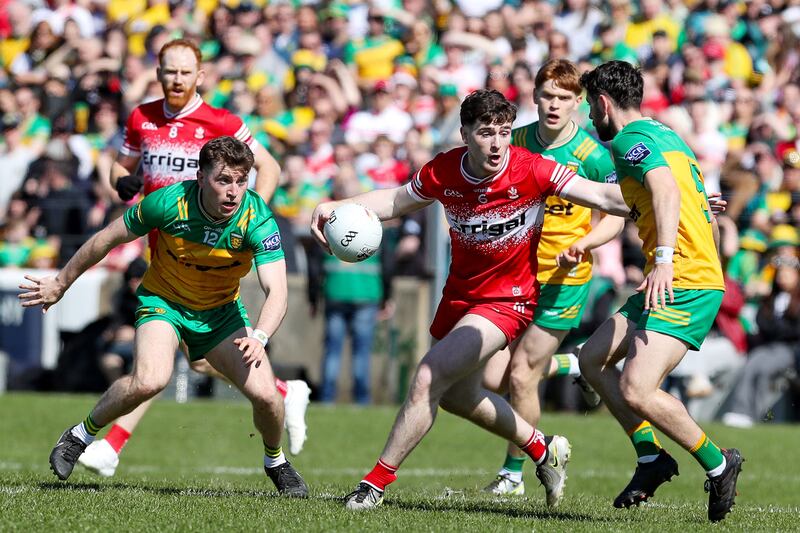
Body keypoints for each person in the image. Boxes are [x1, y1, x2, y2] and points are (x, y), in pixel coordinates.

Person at [310, 89, 632, 510]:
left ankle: (374, 484)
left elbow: (605, 197)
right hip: (460, 296)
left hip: (507, 301)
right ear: (465, 134)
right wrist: (339, 204)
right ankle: (543, 449)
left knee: (428, 376)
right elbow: (396, 200)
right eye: (485, 133)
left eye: (502, 132)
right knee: (458, 396)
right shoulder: (445, 171)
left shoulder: (533, 169)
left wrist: (675, 201)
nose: (497, 142)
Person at [21, 136, 308, 497]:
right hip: (165, 302)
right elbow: (106, 239)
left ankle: (276, 462)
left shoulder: (258, 219)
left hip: (220, 313)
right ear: (201, 177)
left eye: (241, 180)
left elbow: (277, 290)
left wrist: (260, 336)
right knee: (149, 380)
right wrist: (61, 282)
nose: (234, 191)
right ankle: (79, 436)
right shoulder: (169, 202)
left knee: (267, 397)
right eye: (223, 180)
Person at [79, 38, 310, 478]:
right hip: (164, 248)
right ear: (158, 71)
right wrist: (121, 182)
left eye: (185, 72)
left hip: (210, 257)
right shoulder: (141, 117)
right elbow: (120, 166)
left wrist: (247, 221)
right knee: (192, 358)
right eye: (169, 71)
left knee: (163, 358)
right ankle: (282, 389)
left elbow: (271, 168)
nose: (177, 80)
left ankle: (111, 444)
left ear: (200, 75)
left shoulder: (220, 121)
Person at [578, 61, 742, 522]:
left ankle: (718, 463)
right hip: (678, 274)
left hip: (683, 279)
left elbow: (666, 190)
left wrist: (666, 258)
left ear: (605, 102)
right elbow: (672, 194)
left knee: (635, 387)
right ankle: (652, 458)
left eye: (591, 105)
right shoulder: (663, 134)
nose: (591, 116)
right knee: (592, 358)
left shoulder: (629, 140)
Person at [479, 59, 624, 497]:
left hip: (566, 278)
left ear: (579, 102)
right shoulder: (516, 141)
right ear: (535, 98)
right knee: (489, 378)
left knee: (522, 376)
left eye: (564, 98)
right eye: (547, 96)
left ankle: (512, 473)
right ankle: (574, 365)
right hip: (515, 274)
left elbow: (616, 217)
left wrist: (585, 244)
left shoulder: (594, 156)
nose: (554, 105)